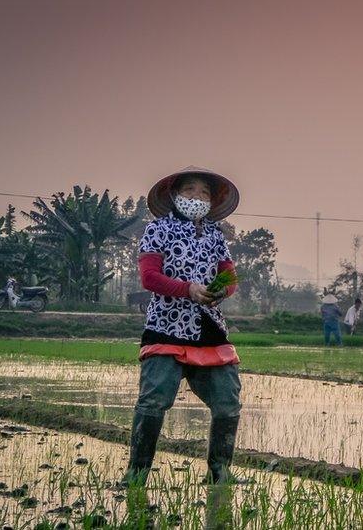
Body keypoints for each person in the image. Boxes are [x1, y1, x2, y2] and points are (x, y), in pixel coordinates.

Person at [124, 165, 242, 490]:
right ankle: (136, 476)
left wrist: (220, 290)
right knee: (154, 401)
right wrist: (187, 289)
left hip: (208, 330)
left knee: (228, 401)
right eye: (190, 190)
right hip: (166, 326)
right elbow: (149, 277)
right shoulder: (158, 230)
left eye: (204, 192)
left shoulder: (217, 236)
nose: (197, 197)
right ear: (175, 195)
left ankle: (220, 472)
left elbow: (229, 276)